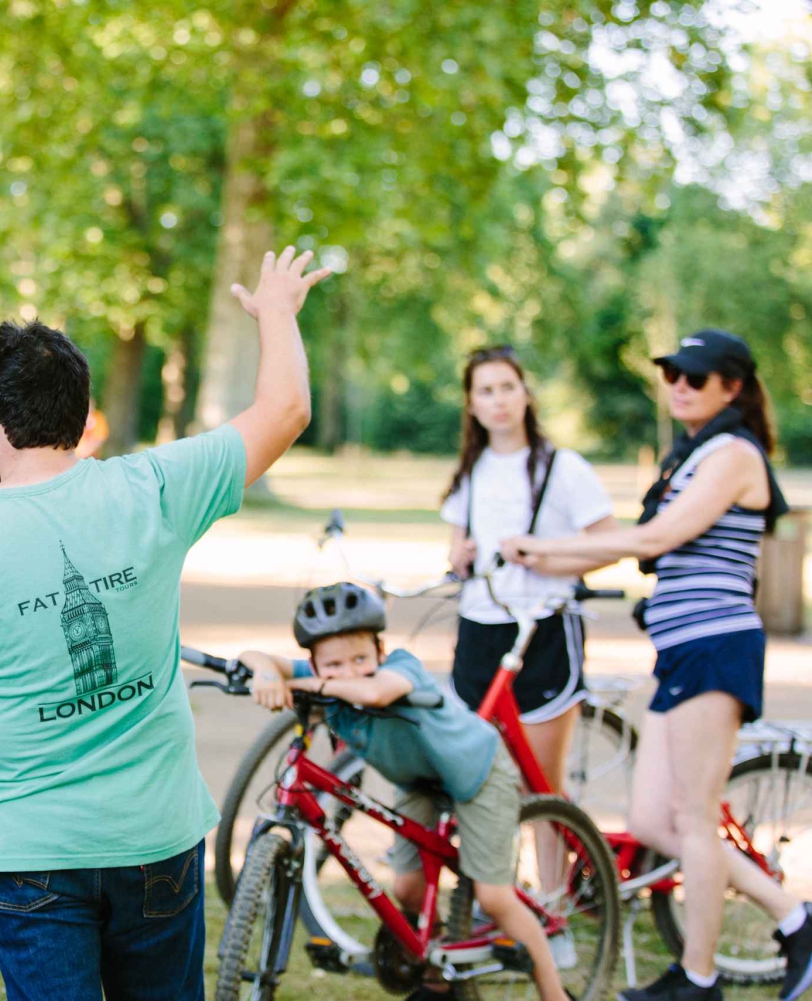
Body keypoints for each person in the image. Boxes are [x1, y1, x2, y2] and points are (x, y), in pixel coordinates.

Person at [0, 247, 325, 999]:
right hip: (154, 840)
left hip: (28, 849)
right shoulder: (153, 487)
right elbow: (287, 410)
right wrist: (278, 316)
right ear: (79, 411)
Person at [502, 330, 811, 1001]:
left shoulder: (733, 453)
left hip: (715, 645)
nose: (678, 385)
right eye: (671, 373)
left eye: (694, 377)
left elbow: (657, 537)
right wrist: (541, 560)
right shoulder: (694, 455)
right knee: (651, 820)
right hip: (678, 651)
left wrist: (546, 546)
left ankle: (698, 977)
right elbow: (640, 544)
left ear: (733, 386)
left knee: (695, 818)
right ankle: (794, 916)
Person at [241, 582, 571, 1001]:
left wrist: (311, 686)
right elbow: (253, 657)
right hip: (418, 781)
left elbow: (376, 692)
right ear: (313, 662)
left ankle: (554, 991)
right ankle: (437, 977)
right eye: (334, 664)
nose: (349, 671)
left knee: (494, 898)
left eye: (361, 658)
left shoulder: (400, 667)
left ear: (381, 652)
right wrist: (269, 673)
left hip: (476, 772)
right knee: (408, 891)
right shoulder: (322, 675)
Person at [439, 346, 616, 796]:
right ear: (471, 404)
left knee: (539, 783)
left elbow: (610, 544)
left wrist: (546, 557)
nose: (498, 400)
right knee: (479, 782)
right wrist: (459, 558)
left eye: (507, 388)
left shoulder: (563, 467)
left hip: (543, 627)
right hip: (480, 628)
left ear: (525, 394)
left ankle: (556, 869)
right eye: (486, 391)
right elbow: (456, 551)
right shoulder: (469, 473)